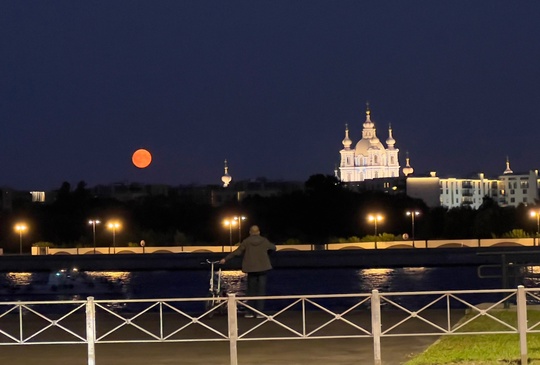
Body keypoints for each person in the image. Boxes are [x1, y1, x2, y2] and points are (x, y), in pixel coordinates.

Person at [220, 225, 275, 318]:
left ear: (250, 232)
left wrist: (225, 259)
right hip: (263, 268)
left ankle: (250, 312)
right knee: (261, 291)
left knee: (250, 291)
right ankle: (259, 313)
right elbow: (273, 248)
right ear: (258, 232)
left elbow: (237, 252)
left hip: (251, 269)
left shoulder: (246, 241)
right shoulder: (264, 241)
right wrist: (267, 254)